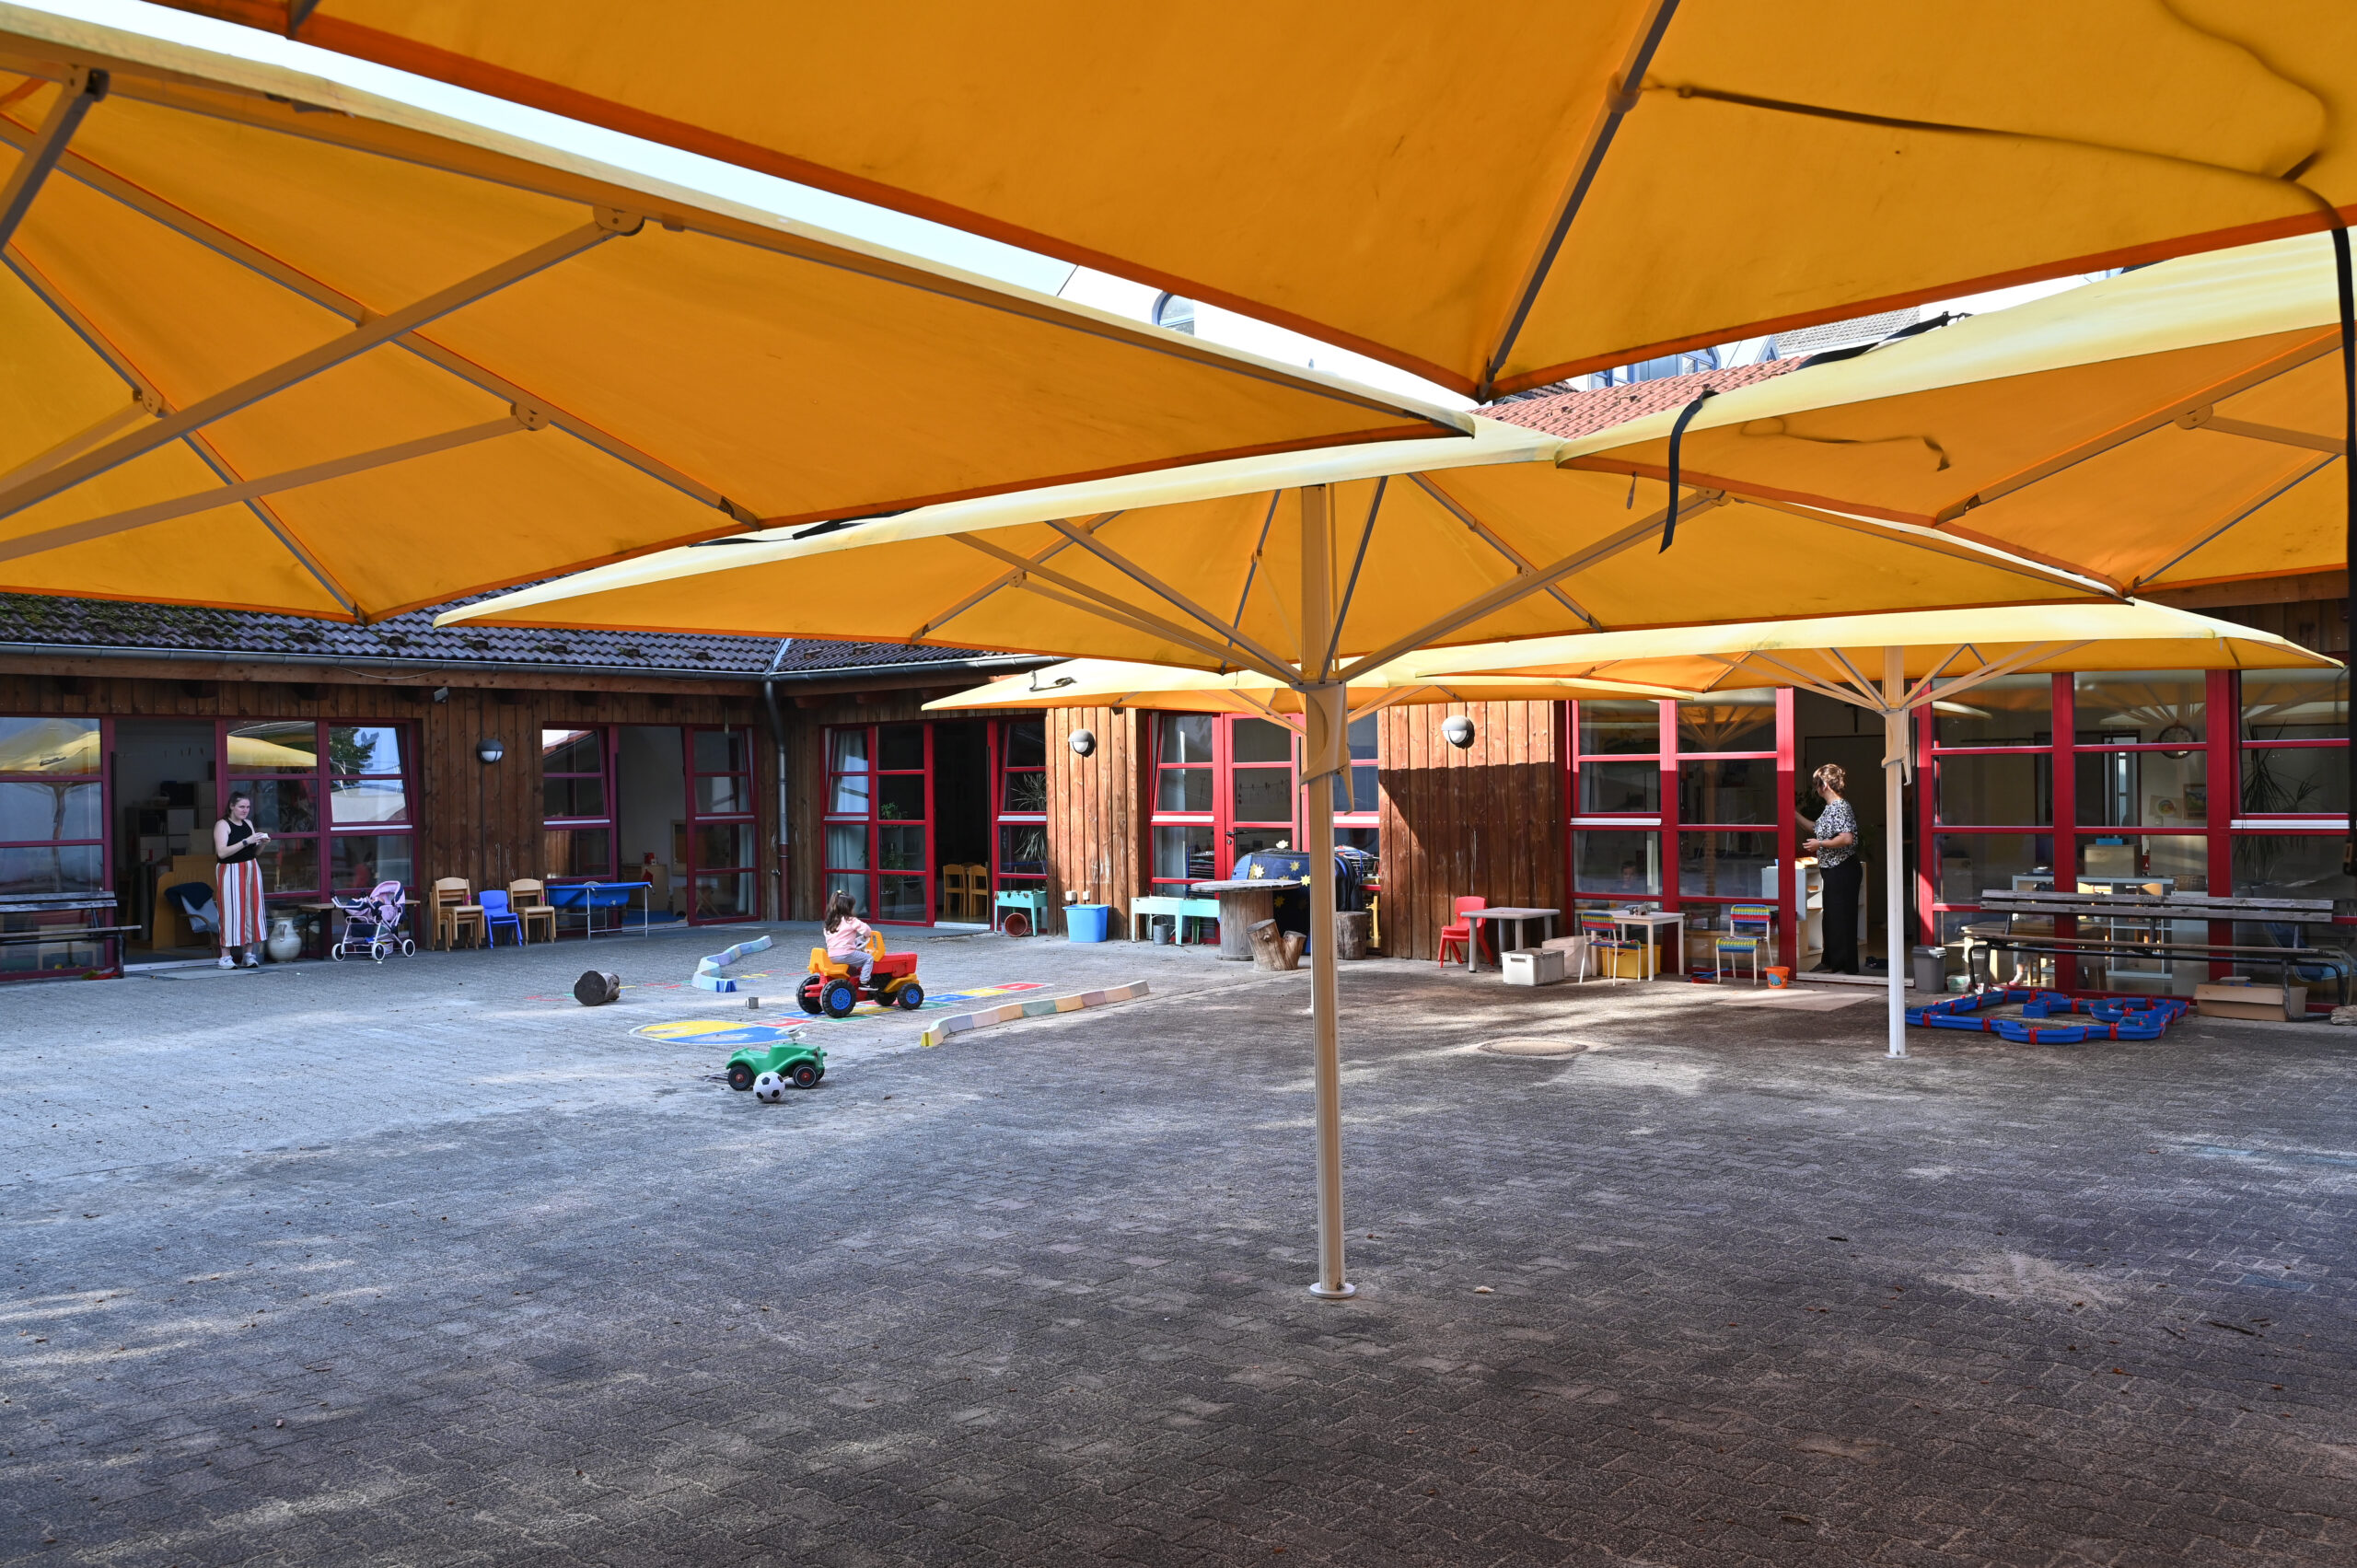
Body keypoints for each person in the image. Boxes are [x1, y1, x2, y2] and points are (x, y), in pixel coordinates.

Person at [1799, 762, 1862, 974]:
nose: (1816, 788)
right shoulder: (1831, 808)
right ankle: (1831, 961)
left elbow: (1846, 838)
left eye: (1816, 784)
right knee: (1833, 917)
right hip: (1834, 869)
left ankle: (1842, 965)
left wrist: (1820, 844)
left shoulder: (1840, 807)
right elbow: (1815, 828)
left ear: (1824, 784)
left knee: (1841, 917)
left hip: (1843, 868)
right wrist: (1793, 814)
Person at [212, 791, 270, 969]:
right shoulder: (222, 825)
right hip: (230, 870)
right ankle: (225, 957)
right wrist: (246, 841)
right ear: (231, 806)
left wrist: (262, 844)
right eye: (241, 807)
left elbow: (253, 852)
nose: (245, 810)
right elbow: (222, 852)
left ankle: (248, 955)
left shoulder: (248, 823)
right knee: (230, 911)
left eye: (248, 807)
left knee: (251, 909)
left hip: (251, 867)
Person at [823, 889, 875, 986]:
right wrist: (866, 935)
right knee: (868, 959)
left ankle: (852, 982)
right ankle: (864, 981)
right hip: (845, 954)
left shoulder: (829, 923)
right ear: (848, 908)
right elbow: (867, 930)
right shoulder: (850, 920)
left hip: (832, 956)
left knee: (853, 963)